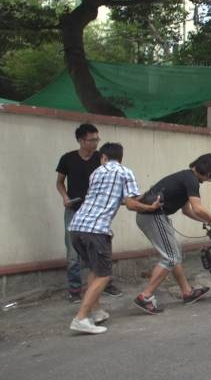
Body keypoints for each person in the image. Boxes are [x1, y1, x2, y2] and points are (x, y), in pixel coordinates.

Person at [68, 143, 161, 334]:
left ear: (103, 157)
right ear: (120, 158)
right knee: (104, 274)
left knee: (94, 269)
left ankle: (95, 312)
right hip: (96, 229)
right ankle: (81, 318)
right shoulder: (124, 172)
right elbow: (131, 204)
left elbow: (108, 197)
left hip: (76, 227)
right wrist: (150, 207)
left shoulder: (96, 173)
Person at [133, 153, 211, 315]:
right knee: (170, 257)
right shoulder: (191, 180)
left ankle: (187, 292)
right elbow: (198, 208)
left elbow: (187, 211)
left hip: (152, 216)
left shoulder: (186, 177)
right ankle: (145, 296)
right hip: (153, 217)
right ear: (209, 173)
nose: (208, 181)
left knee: (175, 252)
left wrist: (209, 221)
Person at [55, 123, 122, 303]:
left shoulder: (102, 158)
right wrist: (65, 197)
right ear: (80, 140)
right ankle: (75, 290)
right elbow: (59, 182)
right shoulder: (67, 159)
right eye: (92, 140)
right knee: (73, 253)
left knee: (101, 249)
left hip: (97, 212)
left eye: (97, 139)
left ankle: (106, 284)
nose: (95, 143)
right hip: (74, 210)